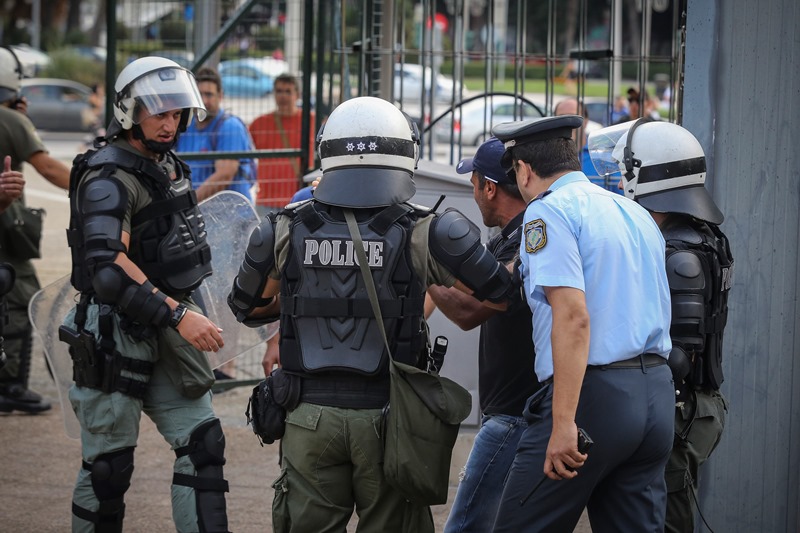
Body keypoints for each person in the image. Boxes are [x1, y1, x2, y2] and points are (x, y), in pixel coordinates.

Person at [228, 96, 515, 532]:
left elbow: (246, 308)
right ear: (406, 153)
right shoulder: (428, 230)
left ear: (328, 153)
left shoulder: (283, 228)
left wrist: (308, 295)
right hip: (391, 417)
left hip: (307, 414)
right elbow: (500, 292)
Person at [61, 56, 231, 532]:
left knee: (204, 448)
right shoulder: (109, 177)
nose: (169, 122)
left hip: (169, 327)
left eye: (177, 113)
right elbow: (108, 270)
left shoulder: (167, 164)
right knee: (107, 470)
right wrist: (180, 316)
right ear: (128, 111)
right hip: (117, 336)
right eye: (158, 112)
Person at [489, 115, 674, 532]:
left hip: (593, 399)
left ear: (524, 169)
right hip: (654, 396)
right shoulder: (634, 212)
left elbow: (572, 317)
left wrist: (562, 423)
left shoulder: (547, 213)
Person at [589, 119, 732, 533]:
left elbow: (678, 359)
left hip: (679, 413)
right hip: (678, 411)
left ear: (649, 179)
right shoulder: (693, 236)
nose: (615, 183)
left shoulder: (680, 252)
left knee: (665, 520)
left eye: (623, 174)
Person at [426, 137, 539, 533]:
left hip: (514, 415)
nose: (473, 194)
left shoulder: (527, 239)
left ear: (489, 186)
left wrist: (423, 262)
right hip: (517, 412)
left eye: (474, 184)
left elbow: (467, 311)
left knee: (466, 526)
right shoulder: (508, 237)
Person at [0, 45, 71, 414]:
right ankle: (10, 383)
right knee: (21, 294)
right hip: (5, 230)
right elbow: (49, 168)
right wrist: (102, 183)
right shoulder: (10, 120)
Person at [176, 66, 256, 203]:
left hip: (231, 216)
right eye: (199, 95)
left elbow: (224, 176)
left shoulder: (230, 126)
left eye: (209, 94)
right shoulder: (186, 129)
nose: (204, 101)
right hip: (201, 214)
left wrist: (187, 204)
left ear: (220, 96)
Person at [248, 73, 316, 214]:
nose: (283, 96)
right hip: (267, 200)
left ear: (297, 95)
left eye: (288, 91)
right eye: (279, 91)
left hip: (301, 198)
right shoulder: (259, 124)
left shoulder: (312, 121)